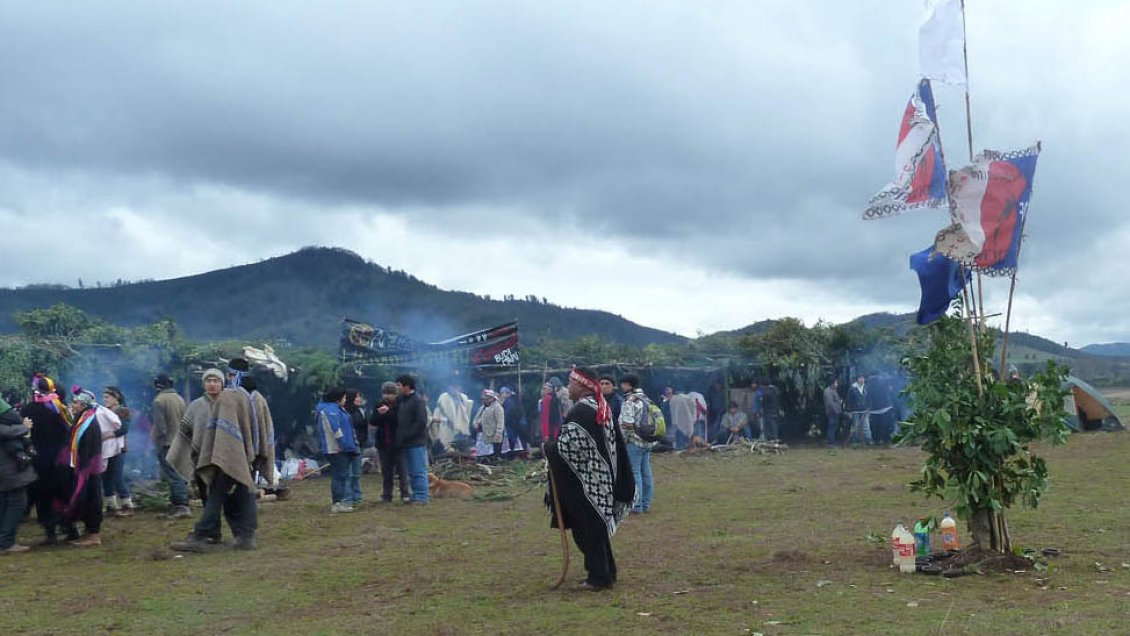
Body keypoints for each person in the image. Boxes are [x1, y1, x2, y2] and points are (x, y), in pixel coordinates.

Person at [544, 367, 634, 591]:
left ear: (581, 385)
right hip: (600, 480)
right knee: (596, 530)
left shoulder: (582, 411)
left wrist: (549, 448)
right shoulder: (597, 406)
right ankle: (606, 571)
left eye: (570, 383)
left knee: (587, 532)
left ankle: (599, 578)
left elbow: (570, 448)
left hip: (587, 483)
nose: (568, 387)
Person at [169, 361, 272, 551]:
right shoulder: (258, 398)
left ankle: (201, 535)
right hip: (249, 456)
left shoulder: (228, 397)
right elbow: (264, 430)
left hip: (227, 456)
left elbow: (223, 433)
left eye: (228, 375)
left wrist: (220, 454)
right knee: (245, 493)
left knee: (216, 495)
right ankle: (246, 536)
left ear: (233, 375)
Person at [167, 368, 225, 546]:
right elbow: (186, 432)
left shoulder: (228, 404)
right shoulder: (196, 406)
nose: (212, 384)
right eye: (209, 381)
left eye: (216, 380)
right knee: (206, 496)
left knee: (216, 496)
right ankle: (214, 533)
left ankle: (206, 530)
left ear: (222, 383)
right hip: (201, 458)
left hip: (225, 458)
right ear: (204, 384)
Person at [23, 374, 75, 545]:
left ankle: (50, 533)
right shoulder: (61, 409)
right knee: (64, 494)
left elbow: (25, 434)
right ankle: (71, 528)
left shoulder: (29, 410)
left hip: (40, 461)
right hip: (61, 460)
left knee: (43, 496)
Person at [64, 389, 109, 546]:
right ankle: (89, 531)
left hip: (89, 467)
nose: (72, 405)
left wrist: (83, 468)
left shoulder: (89, 423)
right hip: (83, 466)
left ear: (83, 405)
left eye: (75, 402)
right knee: (85, 496)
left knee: (91, 497)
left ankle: (94, 534)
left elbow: (88, 448)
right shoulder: (82, 419)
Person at [151, 373, 191, 518]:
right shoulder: (179, 399)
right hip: (181, 442)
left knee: (174, 475)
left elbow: (161, 428)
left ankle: (181, 506)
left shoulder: (159, 401)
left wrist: (156, 443)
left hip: (167, 444)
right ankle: (178, 504)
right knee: (179, 473)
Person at [0, 395, 36, 553]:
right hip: (8, 469)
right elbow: (4, 431)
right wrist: (24, 427)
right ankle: (7, 542)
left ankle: (4, 540)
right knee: (16, 502)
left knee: (4, 502)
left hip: (6, 470)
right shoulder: (9, 427)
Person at [617, 374, 654, 515]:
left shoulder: (630, 401)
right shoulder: (646, 399)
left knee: (635, 472)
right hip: (647, 440)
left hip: (634, 441)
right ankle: (646, 503)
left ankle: (636, 505)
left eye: (623, 383)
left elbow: (626, 424)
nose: (621, 386)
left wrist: (623, 439)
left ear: (628, 384)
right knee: (646, 472)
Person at [317, 387, 358, 514]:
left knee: (341, 475)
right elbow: (335, 428)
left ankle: (339, 502)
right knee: (339, 476)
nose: (345, 400)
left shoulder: (337, 409)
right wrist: (342, 443)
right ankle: (337, 503)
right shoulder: (330, 411)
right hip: (336, 449)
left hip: (342, 447)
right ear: (337, 399)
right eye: (344, 398)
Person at [370, 382, 409, 503]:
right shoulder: (379, 404)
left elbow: (399, 421)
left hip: (398, 442)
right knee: (386, 471)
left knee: (402, 470)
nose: (387, 396)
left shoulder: (401, 405)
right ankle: (387, 494)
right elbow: (373, 421)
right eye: (385, 393)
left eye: (390, 393)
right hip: (383, 443)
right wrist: (380, 414)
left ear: (395, 394)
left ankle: (405, 493)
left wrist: (388, 412)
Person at [395, 375, 430, 505]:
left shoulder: (417, 401)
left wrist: (407, 435)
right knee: (410, 471)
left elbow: (421, 422)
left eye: (398, 385)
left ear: (407, 386)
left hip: (416, 442)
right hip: (405, 442)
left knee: (418, 470)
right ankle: (415, 494)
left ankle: (422, 496)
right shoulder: (401, 400)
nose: (397, 388)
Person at [100, 386, 134, 516]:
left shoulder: (123, 411)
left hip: (118, 448)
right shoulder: (104, 412)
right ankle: (111, 505)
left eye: (107, 397)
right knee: (106, 476)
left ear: (116, 398)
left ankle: (127, 504)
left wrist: (108, 434)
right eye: (104, 397)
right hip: (105, 448)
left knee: (116, 476)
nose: (105, 399)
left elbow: (124, 429)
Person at [431, 377, 473, 455]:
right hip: (447, 430)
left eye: (456, 387)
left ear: (459, 387)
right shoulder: (443, 397)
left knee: (463, 455)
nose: (454, 389)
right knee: (447, 454)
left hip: (461, 433)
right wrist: (436, 433)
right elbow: (437, 414)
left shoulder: (464, 398)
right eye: (452, 387)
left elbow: (467, 414)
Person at [343, 388, 366, 507]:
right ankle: (348, 498)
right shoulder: (344, 413)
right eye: (356, 397)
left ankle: (357, 496)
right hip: (348, 446)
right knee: (348, 473)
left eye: (359, 396)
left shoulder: (360, 411)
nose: (359, 399)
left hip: (359, 445)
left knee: (356, 473)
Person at [473, 389, 505, 462]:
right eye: (483, 399)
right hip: (482, 433)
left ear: (491, 399)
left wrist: (498, 433)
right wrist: (476, 424)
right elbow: (476, 418)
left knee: (492, 452)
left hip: (492, 434)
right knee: (481, 450)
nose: (484, 400)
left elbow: (500, 422)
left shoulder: (497, 407)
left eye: (486, 399)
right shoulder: (482, 408)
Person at [498, 386, 528, 458]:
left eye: (502, 393)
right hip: (517, 422)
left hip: (512, 423)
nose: (500, 395)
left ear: (506, 393)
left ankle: (512, 454)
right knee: (517, 439)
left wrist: (503, 421)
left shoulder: (509, 401)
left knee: (512, 438)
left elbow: (508, 413)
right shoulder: (513, 399)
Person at [846, 375, 871, 446]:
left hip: (864, 410)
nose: (862, 380)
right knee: (855, 426)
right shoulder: (852, 389)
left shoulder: (866, 388)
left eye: (863, 378)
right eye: (860, 378)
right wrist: (849, 411)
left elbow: (869, 399)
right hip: (855, 411)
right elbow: (849, 401)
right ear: (857, 380)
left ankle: (869, 440)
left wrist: (869, 407)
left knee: (866, 426)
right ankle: (855, 441)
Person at [823, 379, 843, 447]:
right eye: (836, 383)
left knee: (834, 427)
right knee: (831, 427)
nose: (837, 384)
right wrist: (836, 411)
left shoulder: (833, 390)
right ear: (832, 383)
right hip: (832, 412)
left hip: (835, 412)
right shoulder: (828, 391)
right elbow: (830, 403)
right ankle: (830, 442)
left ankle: (832, 441)